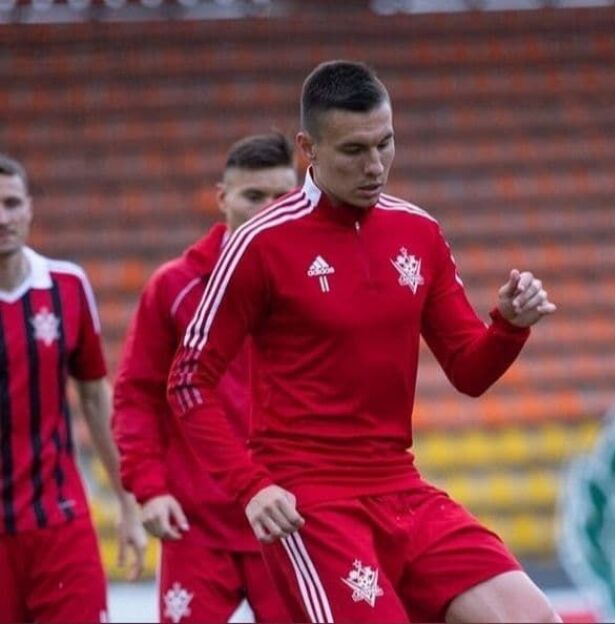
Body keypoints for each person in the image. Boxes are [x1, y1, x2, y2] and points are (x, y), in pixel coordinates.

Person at [168, 60, 560, 623]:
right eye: (354, 150)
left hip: (402, 487)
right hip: (310, 503)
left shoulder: (418, 232)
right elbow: (188, 381)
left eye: (385, 143)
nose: (375, 166)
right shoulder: (261, 242)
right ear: (308, 149)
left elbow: (468, 372)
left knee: (534, 618)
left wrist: (509, 327)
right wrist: (251, 486)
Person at [113, 133, 298, 623]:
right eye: (253, 196)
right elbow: (136, 396)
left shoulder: (316, 285)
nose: (268, 210)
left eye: (282, 197)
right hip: (196, 525)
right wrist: (150, 488)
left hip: (289, 519)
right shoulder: (174, 287)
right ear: (222, 198)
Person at [0, 153, 146, 623]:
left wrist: (127, 503)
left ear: (29, 207)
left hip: (59, 523)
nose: (2, 218)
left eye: (11, 203)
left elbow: (95, 397)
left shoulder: (66, 285)